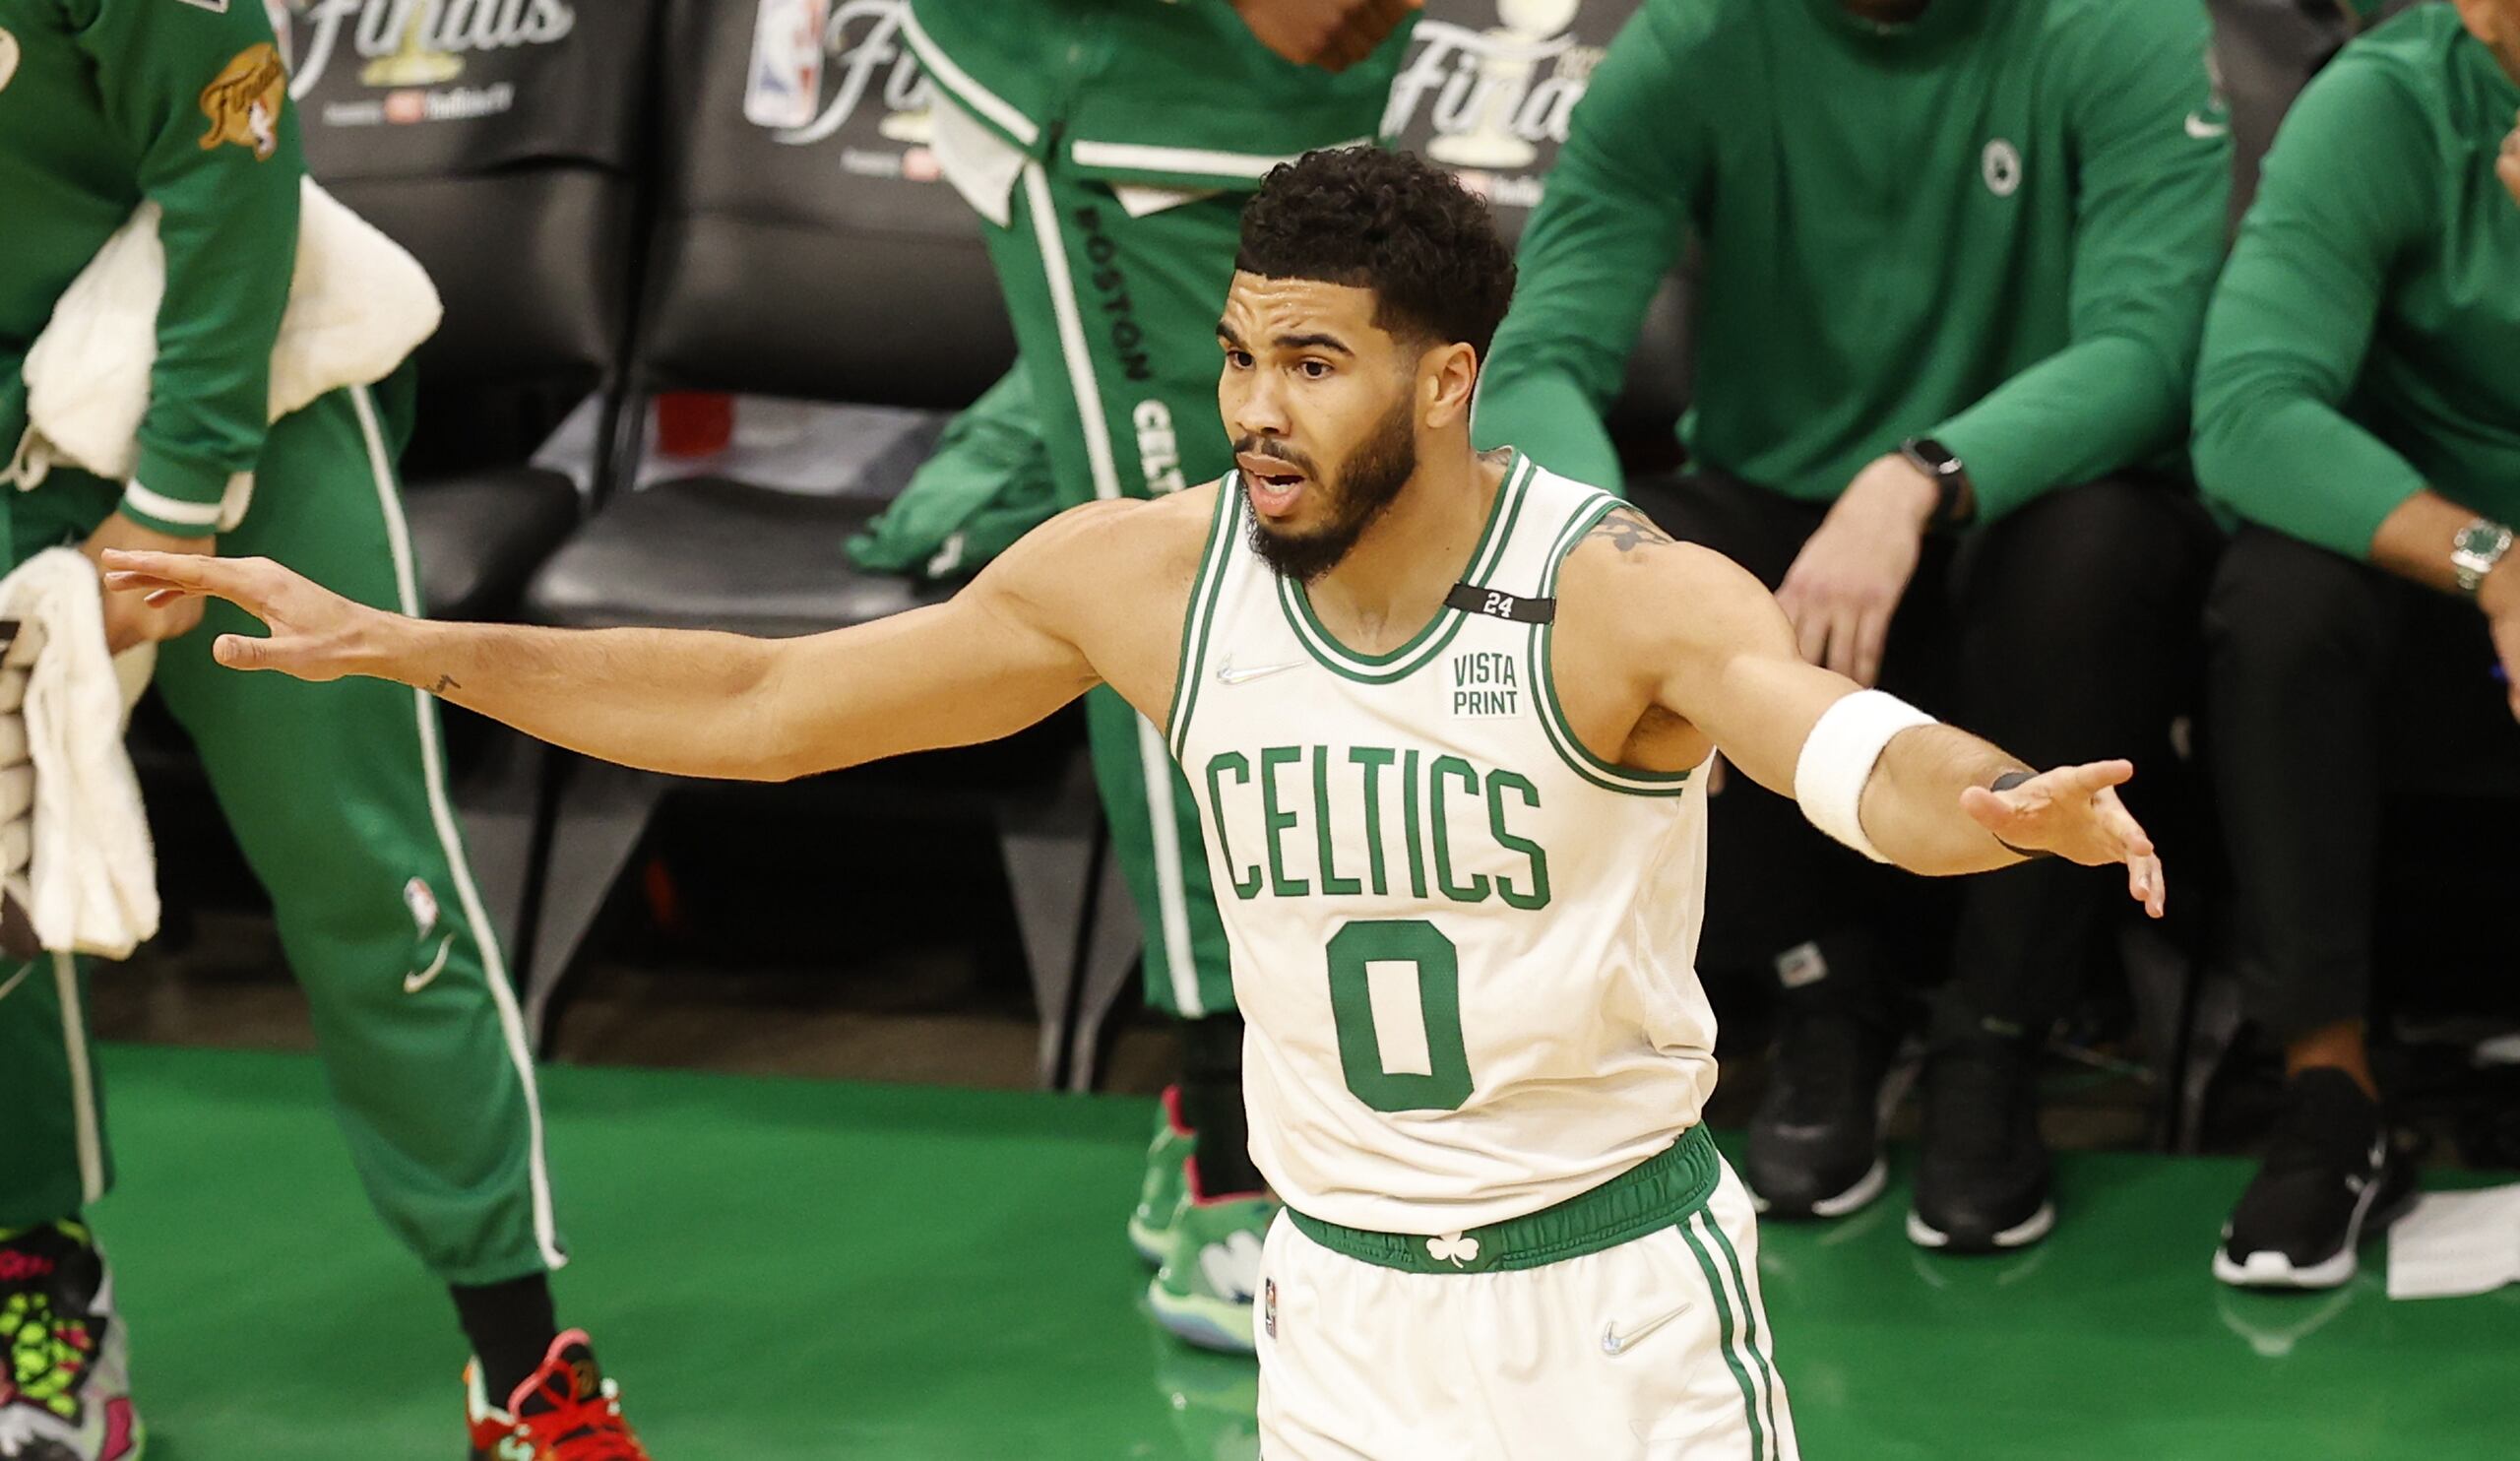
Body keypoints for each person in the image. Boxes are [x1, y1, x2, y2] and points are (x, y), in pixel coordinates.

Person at [105, 146, 2168, 1460]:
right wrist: (413, 643)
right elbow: (758, 699)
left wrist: (1997, 801)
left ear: (1445, 384)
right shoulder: (1143, 572)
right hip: (1337, 1307)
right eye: (1241, 354)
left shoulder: (1606, 589)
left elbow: (1821, 739)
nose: (1256, 406)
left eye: (1317, 365)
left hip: (1605, 1311)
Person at [1471, 0, 2229, 1251]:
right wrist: (1620, 562)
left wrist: (1920, 474)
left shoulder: (2118, 26)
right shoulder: (1697, 39)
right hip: (1779, 524)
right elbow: (1544, 346)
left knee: (2102, 551)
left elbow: (2149, 348)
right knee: (1641, 561)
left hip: (2015, 510)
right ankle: (1820, 996)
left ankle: (1996, 1034)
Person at [0, 3, 648, 1456]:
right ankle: (32, 1284)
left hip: (230, 379)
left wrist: (171, 501)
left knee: (361, 867)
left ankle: (520, 1353)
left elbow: (232, 174)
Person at [897, 0, 1422, 1348]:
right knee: (1190, 611)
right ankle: (1225, 1152)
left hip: (1297, 110)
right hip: (1113, 103)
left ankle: (1241, 1102)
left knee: (1334, 584)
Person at [2190, 0, 2520, 1290]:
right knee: (2278, 600)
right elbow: (2250, 410)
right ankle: (2331, 1095)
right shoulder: (2385, 103)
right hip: (2436, 582)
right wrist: (2494, 565)